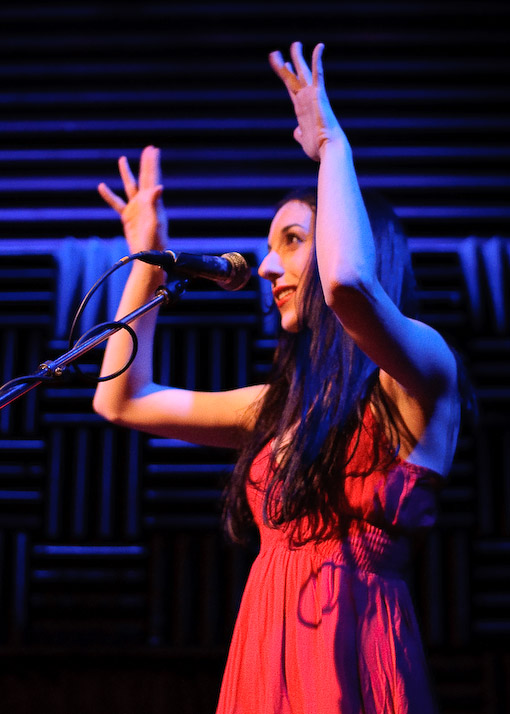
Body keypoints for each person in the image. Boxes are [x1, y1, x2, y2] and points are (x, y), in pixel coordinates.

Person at [93, 42, 461, 714]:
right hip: (264, 663)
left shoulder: (421, 373)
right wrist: (145, 258)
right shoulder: (281, 408)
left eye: (291, 239)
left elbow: (348, 283)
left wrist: (332, 150)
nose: (265, 265)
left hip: (352, 659)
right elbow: (121, 398)